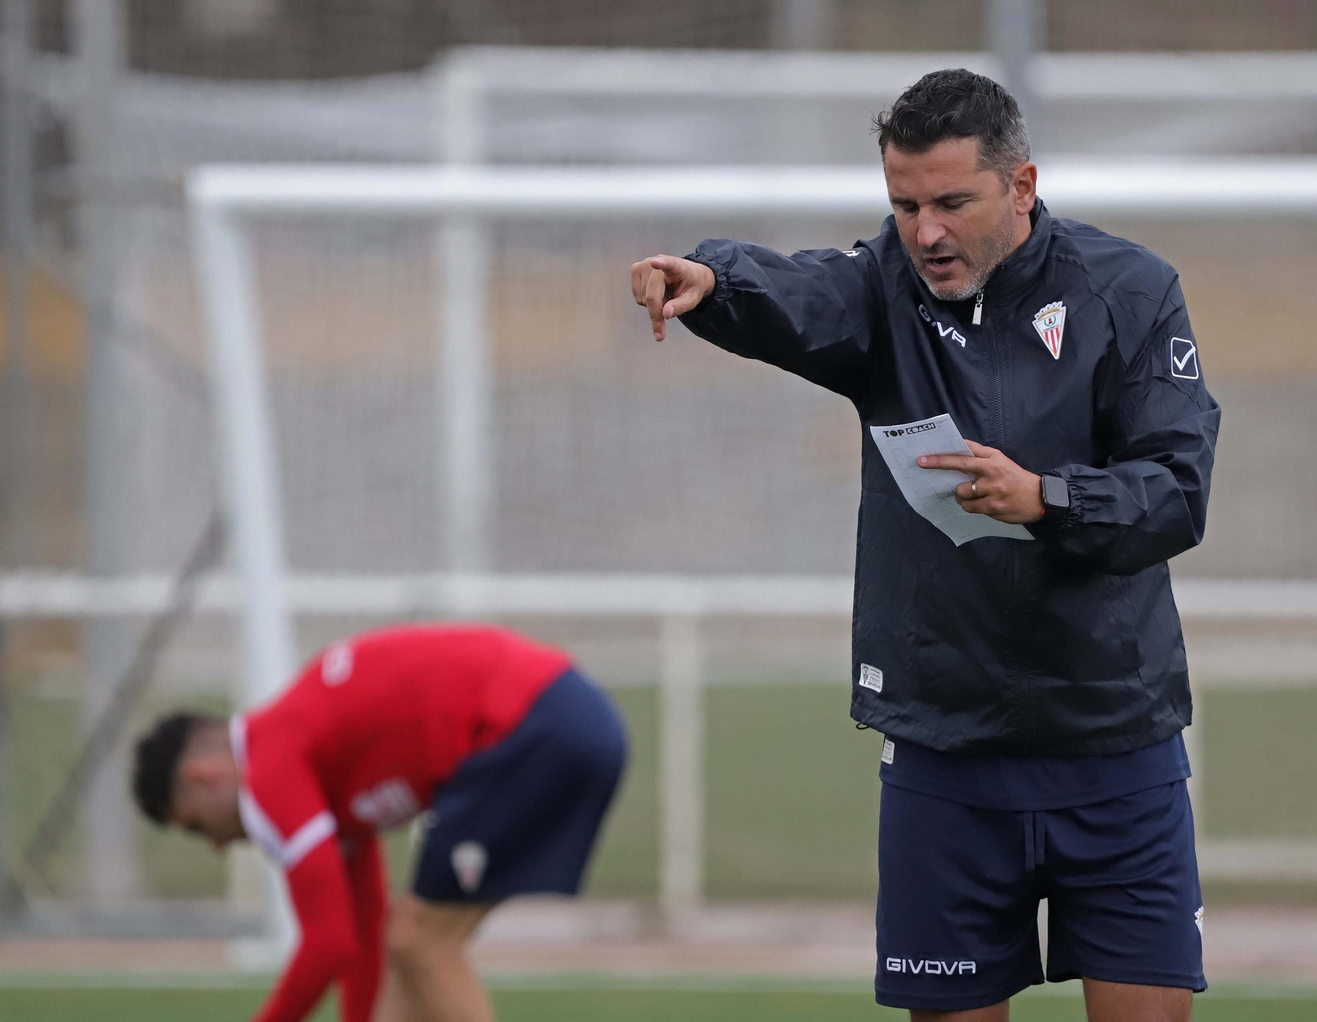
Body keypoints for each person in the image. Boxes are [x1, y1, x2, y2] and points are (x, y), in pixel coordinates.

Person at [630, 69, 1220, 1022]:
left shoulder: (1132, 292)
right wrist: (714, 283)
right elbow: (802, 289)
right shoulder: (883, 290)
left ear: (1021, 186)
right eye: (904, 205)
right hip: (945, 755)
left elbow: (1178, 492)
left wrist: (1046, 498)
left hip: (1114, 749)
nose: (926, 232)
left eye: (952, 202)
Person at [131, 624, 627, 1022]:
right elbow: (361, 933)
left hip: (534, 725)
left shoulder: (271, 769)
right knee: (408, 946)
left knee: (420, 943)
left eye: (197, 826)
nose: (216, 846)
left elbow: (327, 944)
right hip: (564, 716)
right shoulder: (314, 763)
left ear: (205, 777)